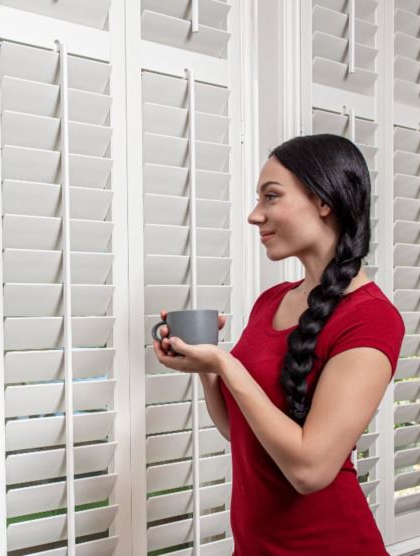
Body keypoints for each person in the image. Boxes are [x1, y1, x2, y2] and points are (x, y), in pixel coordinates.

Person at [153, 134, 405, 554]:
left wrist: (226, 364)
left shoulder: (373, 318)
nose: (255, 215)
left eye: (271, 196)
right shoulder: (271, 301)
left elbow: (310, 470)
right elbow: (240, 432)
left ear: (324, 201)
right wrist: (207, 370)